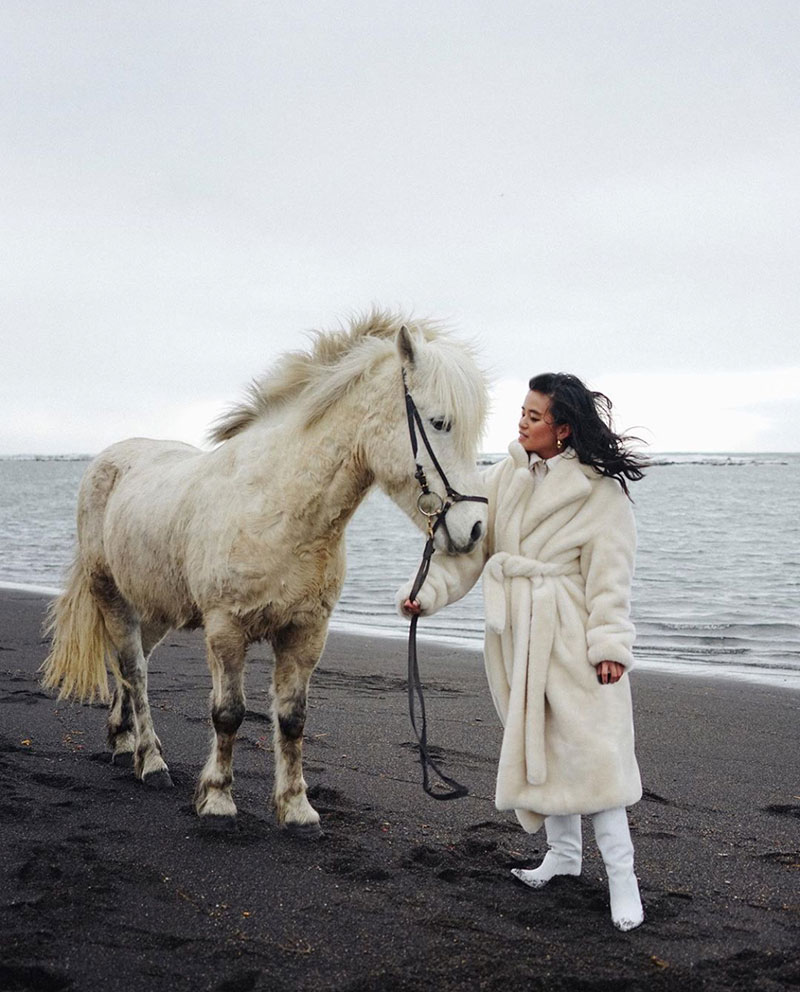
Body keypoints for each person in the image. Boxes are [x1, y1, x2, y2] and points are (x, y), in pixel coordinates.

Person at [398, 372, 648, 931]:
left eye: (535, 417)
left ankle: (623, 879)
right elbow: (470, 552)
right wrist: (427, 594)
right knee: (538, 742)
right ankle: (562, 858)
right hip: (519, 637)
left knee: (596, 756)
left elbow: (611, 580)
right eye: (523, 412)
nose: (522, 423)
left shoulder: (601, 493)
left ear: (562, 429)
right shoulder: (504, 478)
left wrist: (609, 645)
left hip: (572, 636)